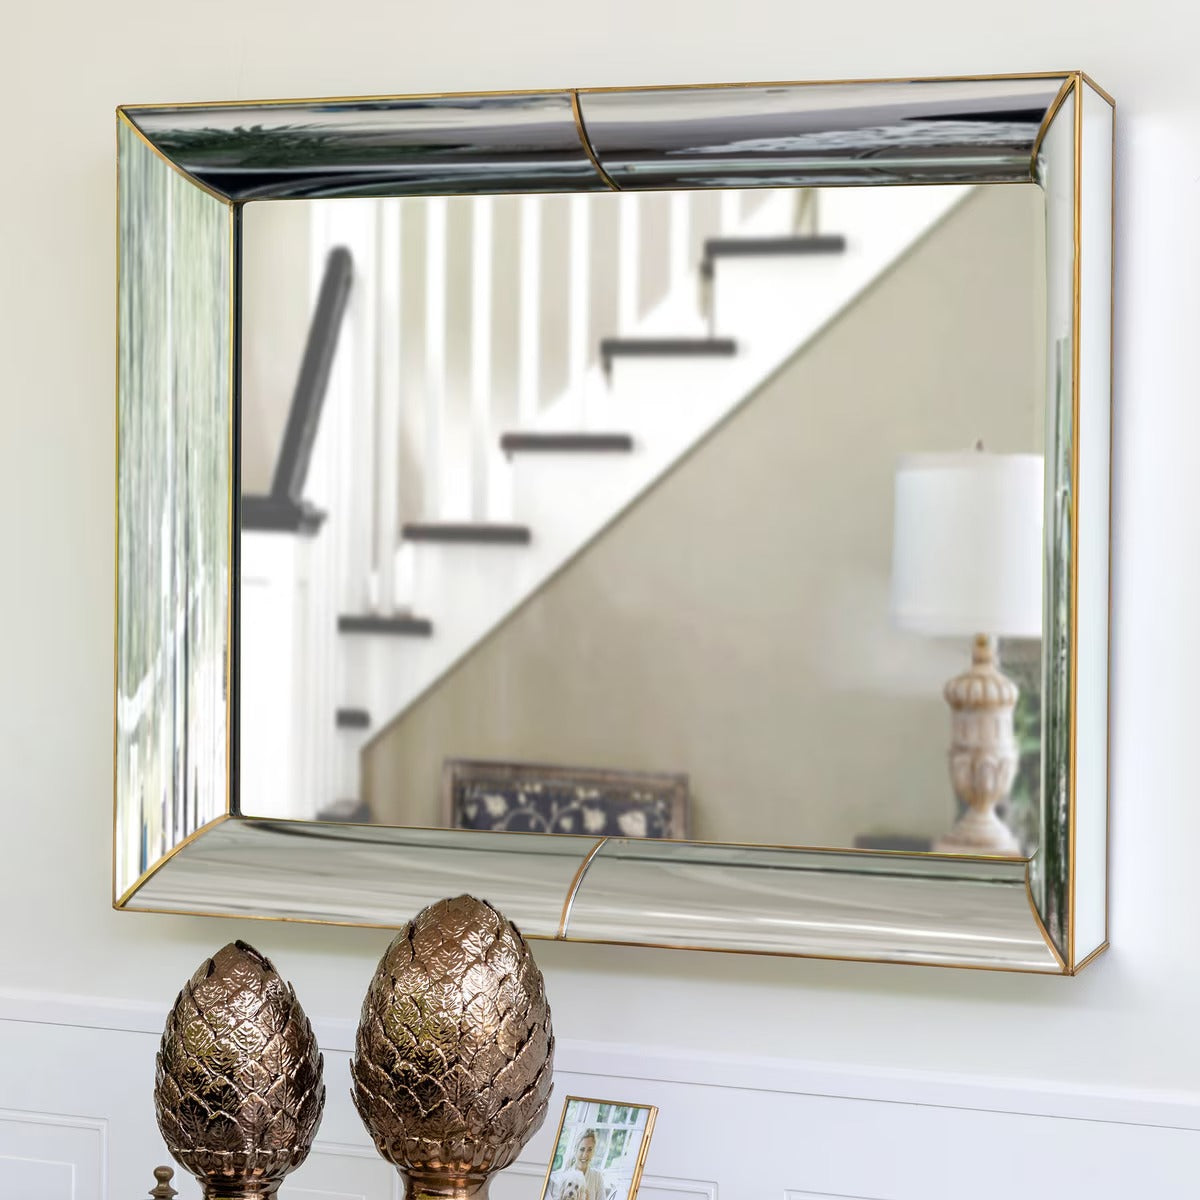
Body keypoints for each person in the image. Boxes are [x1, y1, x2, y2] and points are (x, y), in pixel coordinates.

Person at [550, 1128, 605, 1200]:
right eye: (582, 1149)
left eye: (589, 1150)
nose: (585, 1155)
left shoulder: (597, 1177)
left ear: (593, 1152)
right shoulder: (563, 1176)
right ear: (575, 1150)